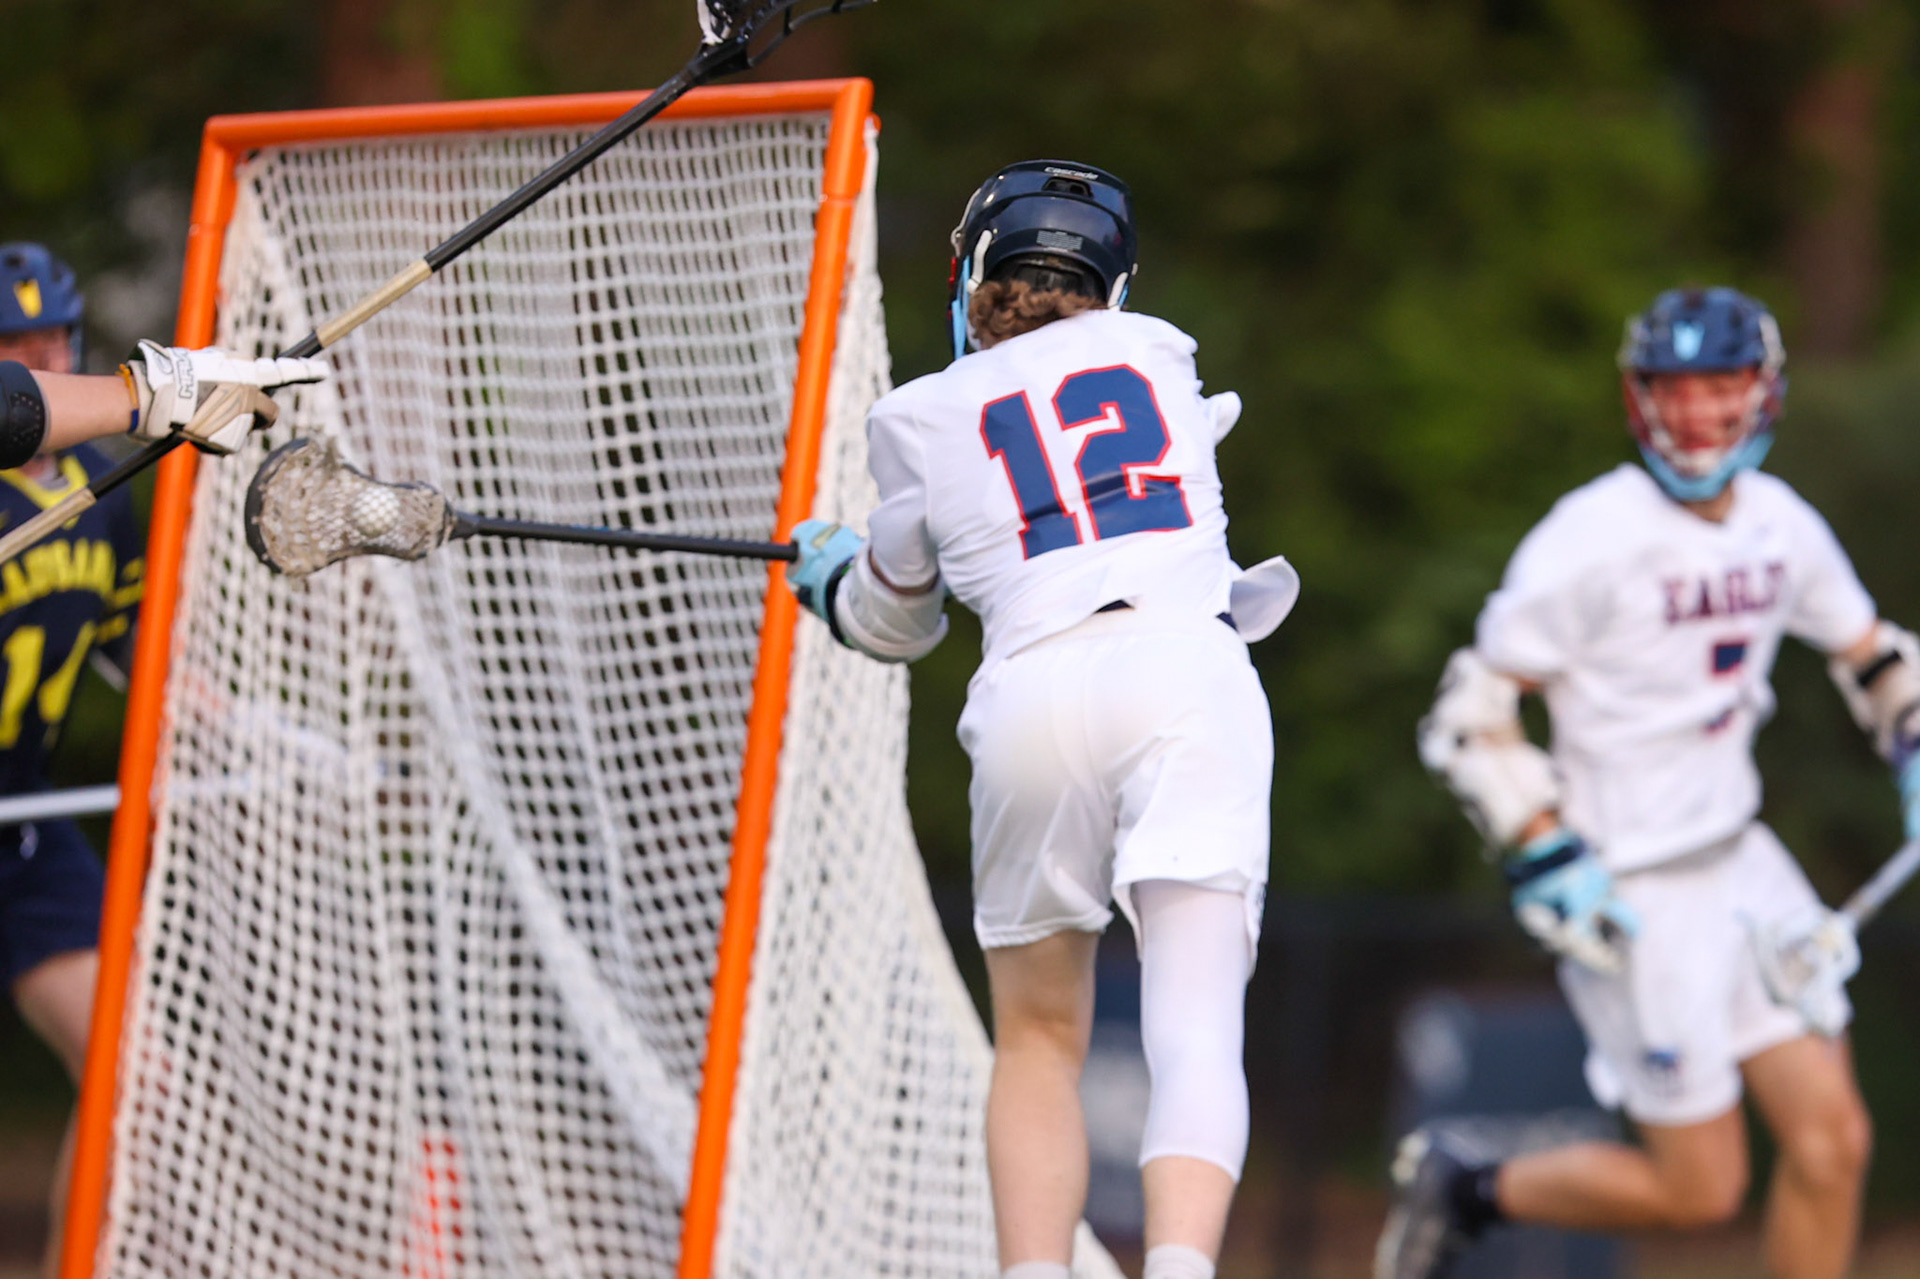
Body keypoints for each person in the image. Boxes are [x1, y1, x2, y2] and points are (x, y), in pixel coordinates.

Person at [783, 161, 1297, 1279]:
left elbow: (897, 623)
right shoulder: (1161, 353)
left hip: (1033, 696)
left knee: (1039, 1037)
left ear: (973, 273)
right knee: (1197, 1018)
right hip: (1185, 668)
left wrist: (834, 581)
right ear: (1114, 284)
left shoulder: (911, 416)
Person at [1379, 287, 1901, 1279]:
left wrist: (1913, 743)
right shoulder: (1589, 535)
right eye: (1676, 387)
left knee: (1834, 1146)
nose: (1699, 412)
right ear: (1638, 398)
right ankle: (1466, 1185)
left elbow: (1871, 657)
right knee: (1701, 1189)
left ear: (1766, 391)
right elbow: (1471, 712)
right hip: (1635, 888)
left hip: (1743, 859)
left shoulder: (1780, 522)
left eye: (1722, 385)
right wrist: (1540, 843)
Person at [0, 241, 326, 1278]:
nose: (40, 351)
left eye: (52, 332)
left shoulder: (105, 486)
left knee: (135, 1079)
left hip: (21, 817)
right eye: (19, 344)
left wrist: (256, 732)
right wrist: (161, 390)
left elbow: (136, 659)